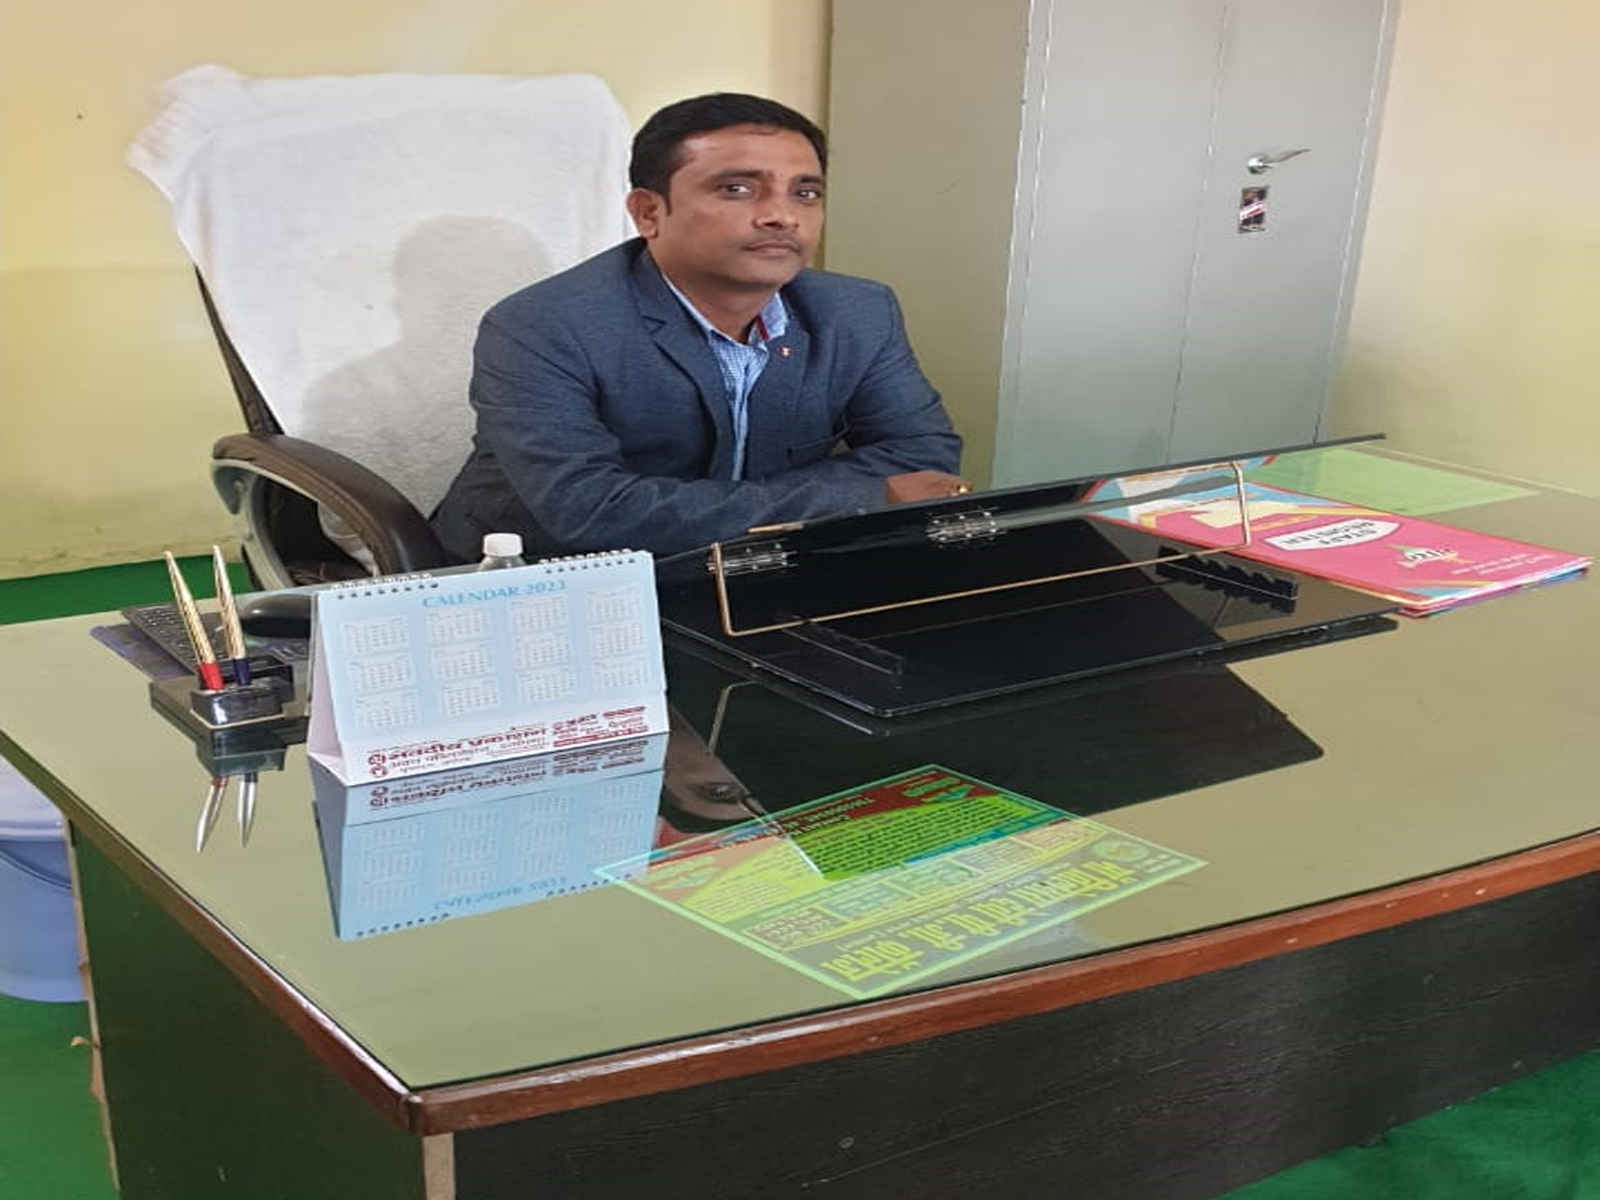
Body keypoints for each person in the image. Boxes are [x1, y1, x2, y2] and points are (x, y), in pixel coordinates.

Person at [429, 92, 966, 562]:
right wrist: (863, 496)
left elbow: (923, 458)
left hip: (760, 570)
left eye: (805, 193)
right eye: (737, 189)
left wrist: (741, 514)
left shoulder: (858, 311)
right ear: (648, 212)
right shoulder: (542, 326)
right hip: (545, 578)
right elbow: (593, 510)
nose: (782, 216)